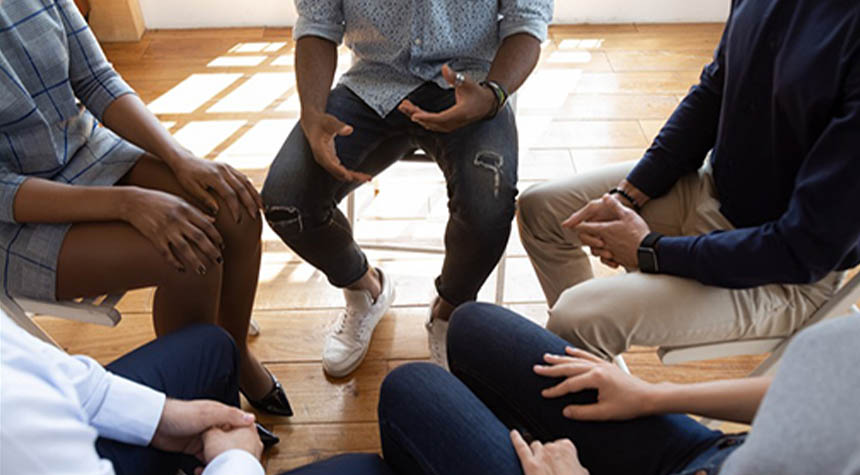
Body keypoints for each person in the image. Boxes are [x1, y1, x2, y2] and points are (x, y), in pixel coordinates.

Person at [516, 0, 860, 361]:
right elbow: (715, 88)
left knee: (576, 318)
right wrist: (626, 197)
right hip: (714, 188)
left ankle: (589, 378)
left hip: (782, 275)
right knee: (541, 211)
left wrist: (650, 250)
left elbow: (801, 250)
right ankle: (592, 371)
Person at [0, 0, 291, 414]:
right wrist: (127, 203)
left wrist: (179, 157)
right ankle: (201, 405)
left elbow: (96, 78)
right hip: (13, 224)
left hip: (83, 150)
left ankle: (235, 352)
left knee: (235, 210)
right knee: (191, 253)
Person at [261, 0, 554, 377]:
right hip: (372, 83)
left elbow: (527, 20)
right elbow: (317, 23)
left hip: (472, 84)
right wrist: (312, 113)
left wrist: (494, 94)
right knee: (287, 202)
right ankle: (367, 290)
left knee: (489, 206)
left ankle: (449, 311)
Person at [377, 302, 860, 475]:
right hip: (708, 464)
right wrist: (653, 393)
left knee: (412, 389)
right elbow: (810, 392)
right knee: (474, 328)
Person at [0, 310, 403, 475]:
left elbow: (32, 361)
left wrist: (158, 418)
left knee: (213, 348)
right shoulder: (18, 433)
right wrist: (235, 470)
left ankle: (220, 454)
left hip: (46, 453)